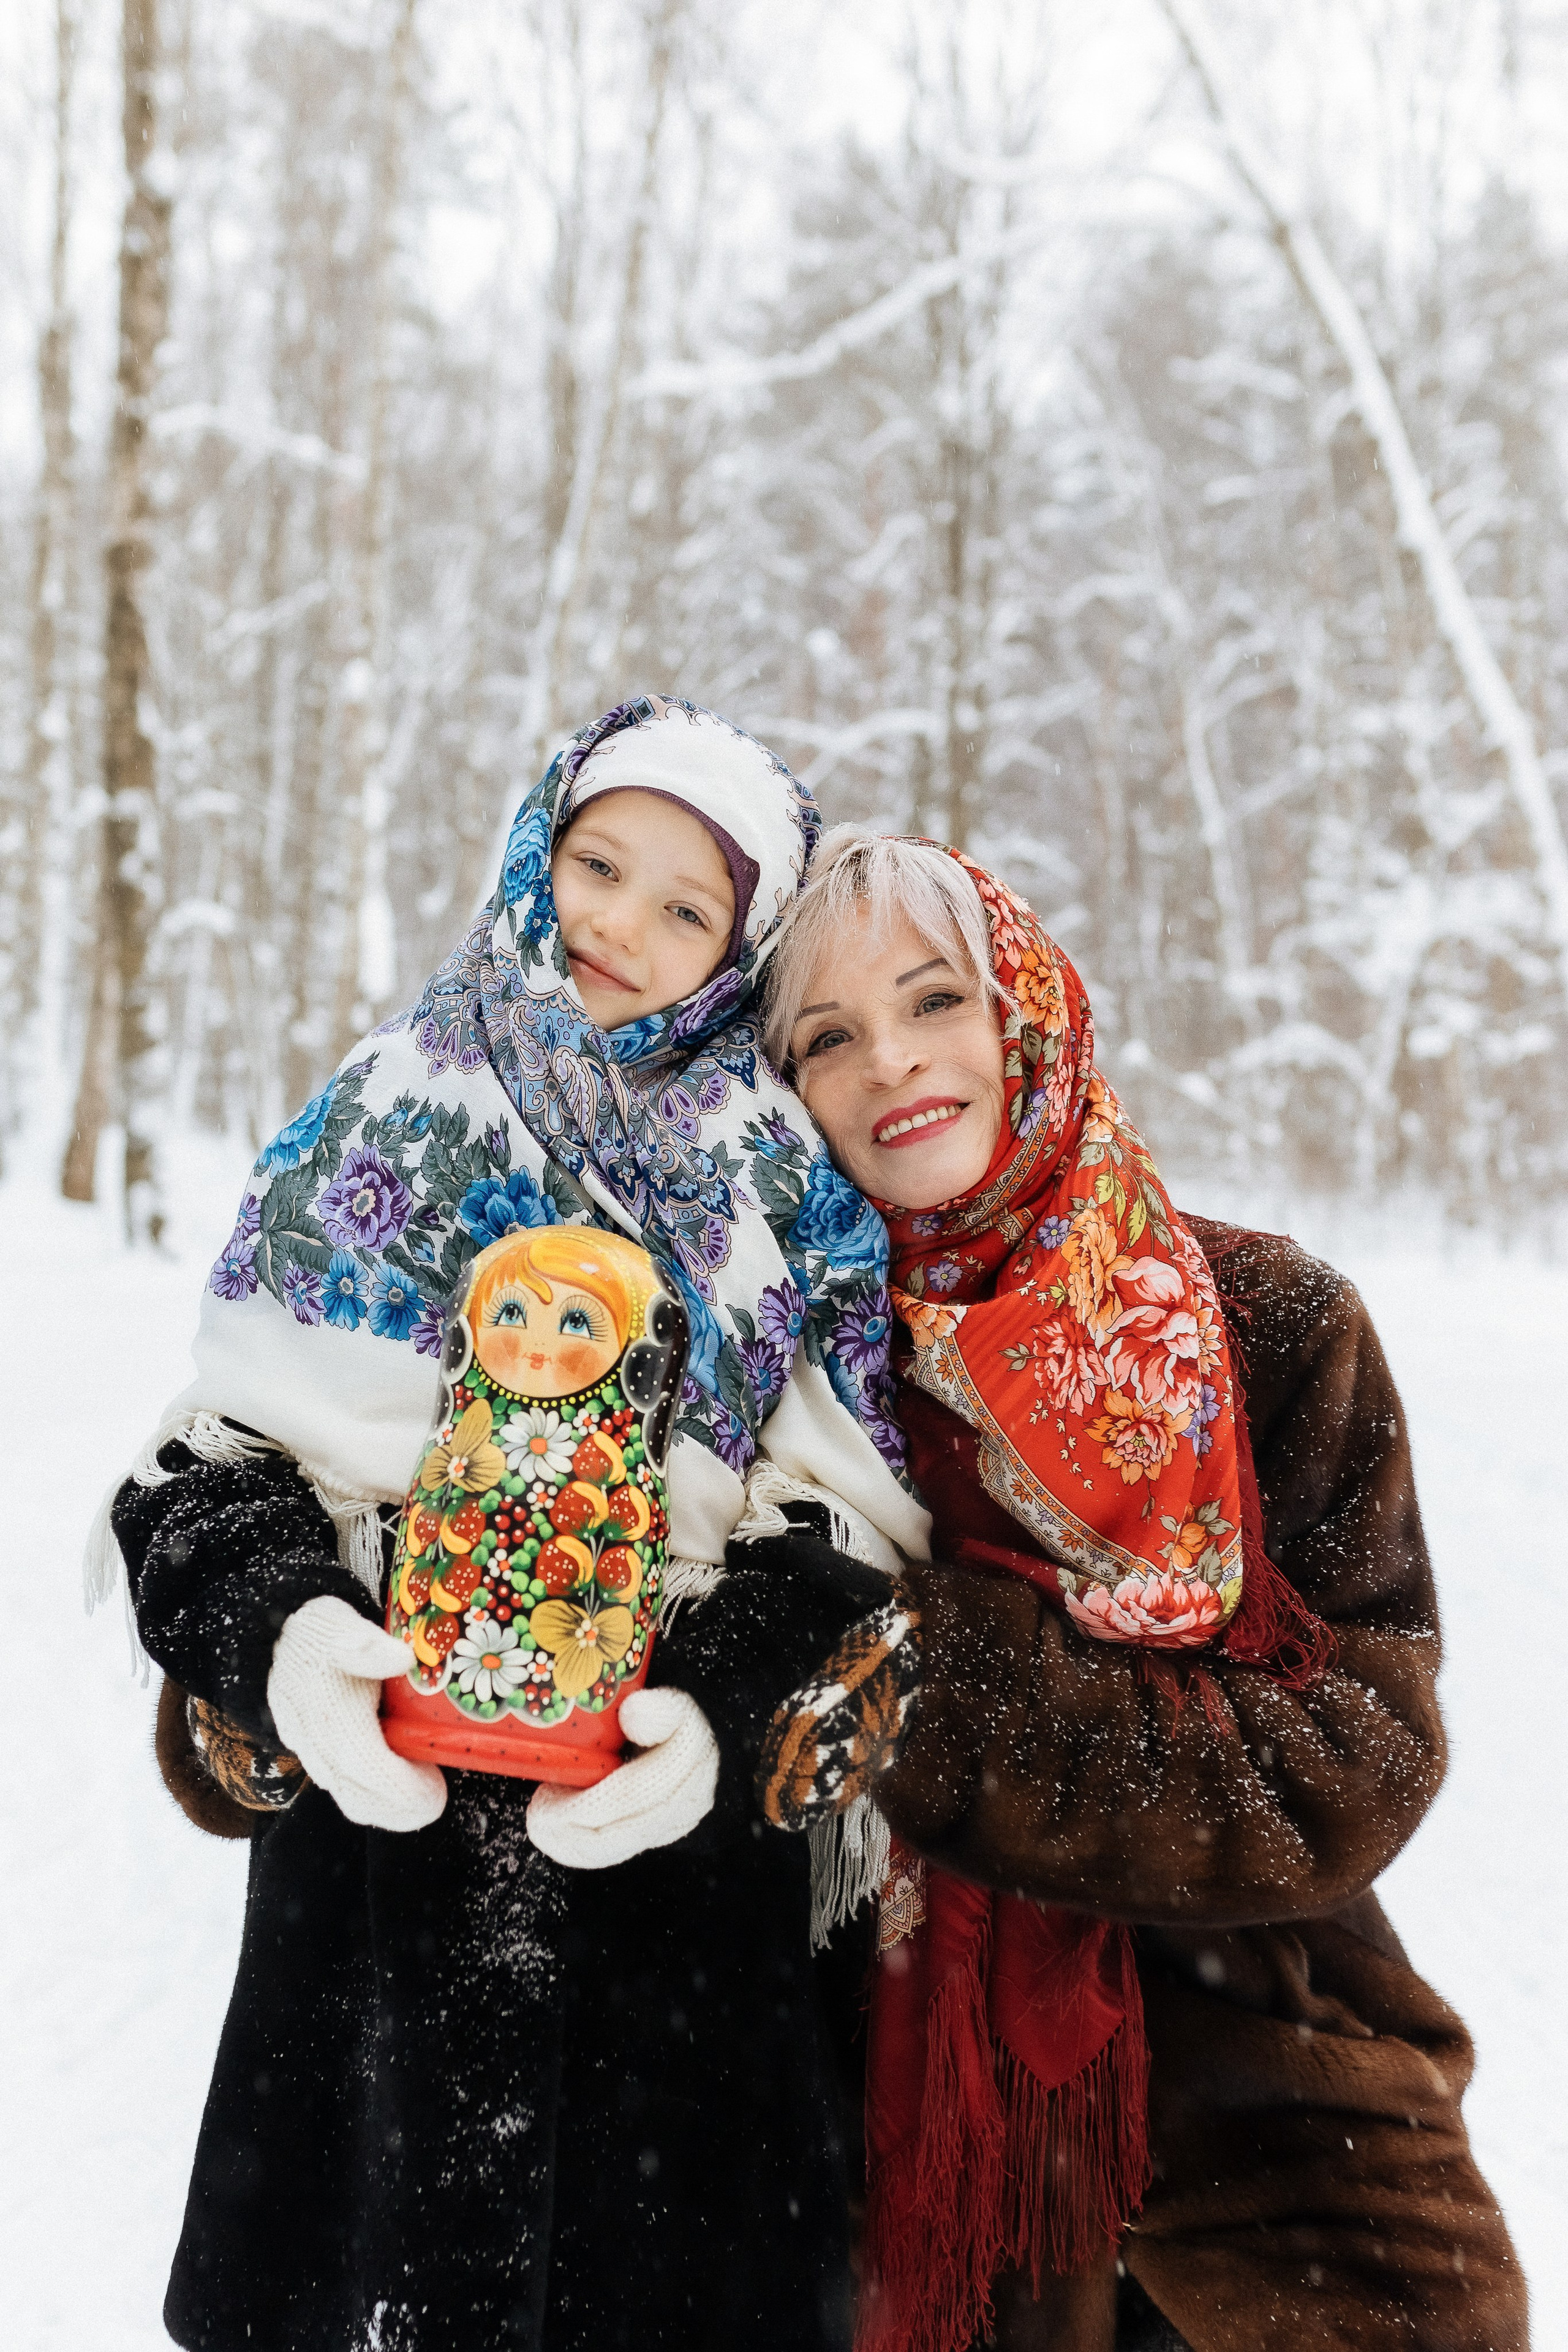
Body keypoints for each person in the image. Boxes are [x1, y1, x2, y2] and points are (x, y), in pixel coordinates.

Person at [100, 699, 930, 2352]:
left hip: (679, 1908)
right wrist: (290, 1643)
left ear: (739, 947)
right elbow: (212, 1463)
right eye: (596, 863)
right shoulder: (382, 1110)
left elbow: (841, 1512)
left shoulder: (776, 1178)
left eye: (686, 906)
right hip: (379, 1884)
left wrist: (723, 1702)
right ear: (532, 852)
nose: (620, 921)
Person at [756, 829, 1528, 2352]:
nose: (891, 1063)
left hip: (1270, 2159)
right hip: (893, 2170)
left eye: (932, 1001)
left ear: (1021, 1012)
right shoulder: (781, 1378)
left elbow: (1355, 1760)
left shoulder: (1262, 1321)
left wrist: (945, 1698)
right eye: (826, 1037)